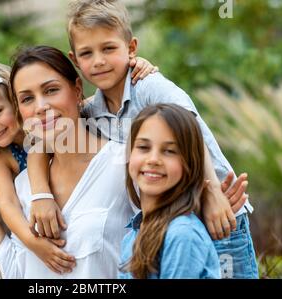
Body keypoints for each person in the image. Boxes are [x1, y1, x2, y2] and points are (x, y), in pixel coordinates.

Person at [63, 0, 258, 278]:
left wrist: (212, 192)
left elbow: (190, 128)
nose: (99, 61)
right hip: (167, 223)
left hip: (220, 211)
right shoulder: (93, 112)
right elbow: (47, 129)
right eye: (87, 53)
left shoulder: (150, 86)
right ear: (75, 60)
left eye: (109, 48)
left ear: (131, 48)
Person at [0, 60, 156, 277]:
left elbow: (97, 99)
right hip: (33, 232)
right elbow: (6, 204)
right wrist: (35, 244)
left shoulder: (47, 127)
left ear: (15, 105)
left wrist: (134, 67)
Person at [120, 104, 220, 279]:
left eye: (169, 151)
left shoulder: (182, 234)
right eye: (143, 147)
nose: (153, 159)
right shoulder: (132, 235)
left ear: (190, 162)